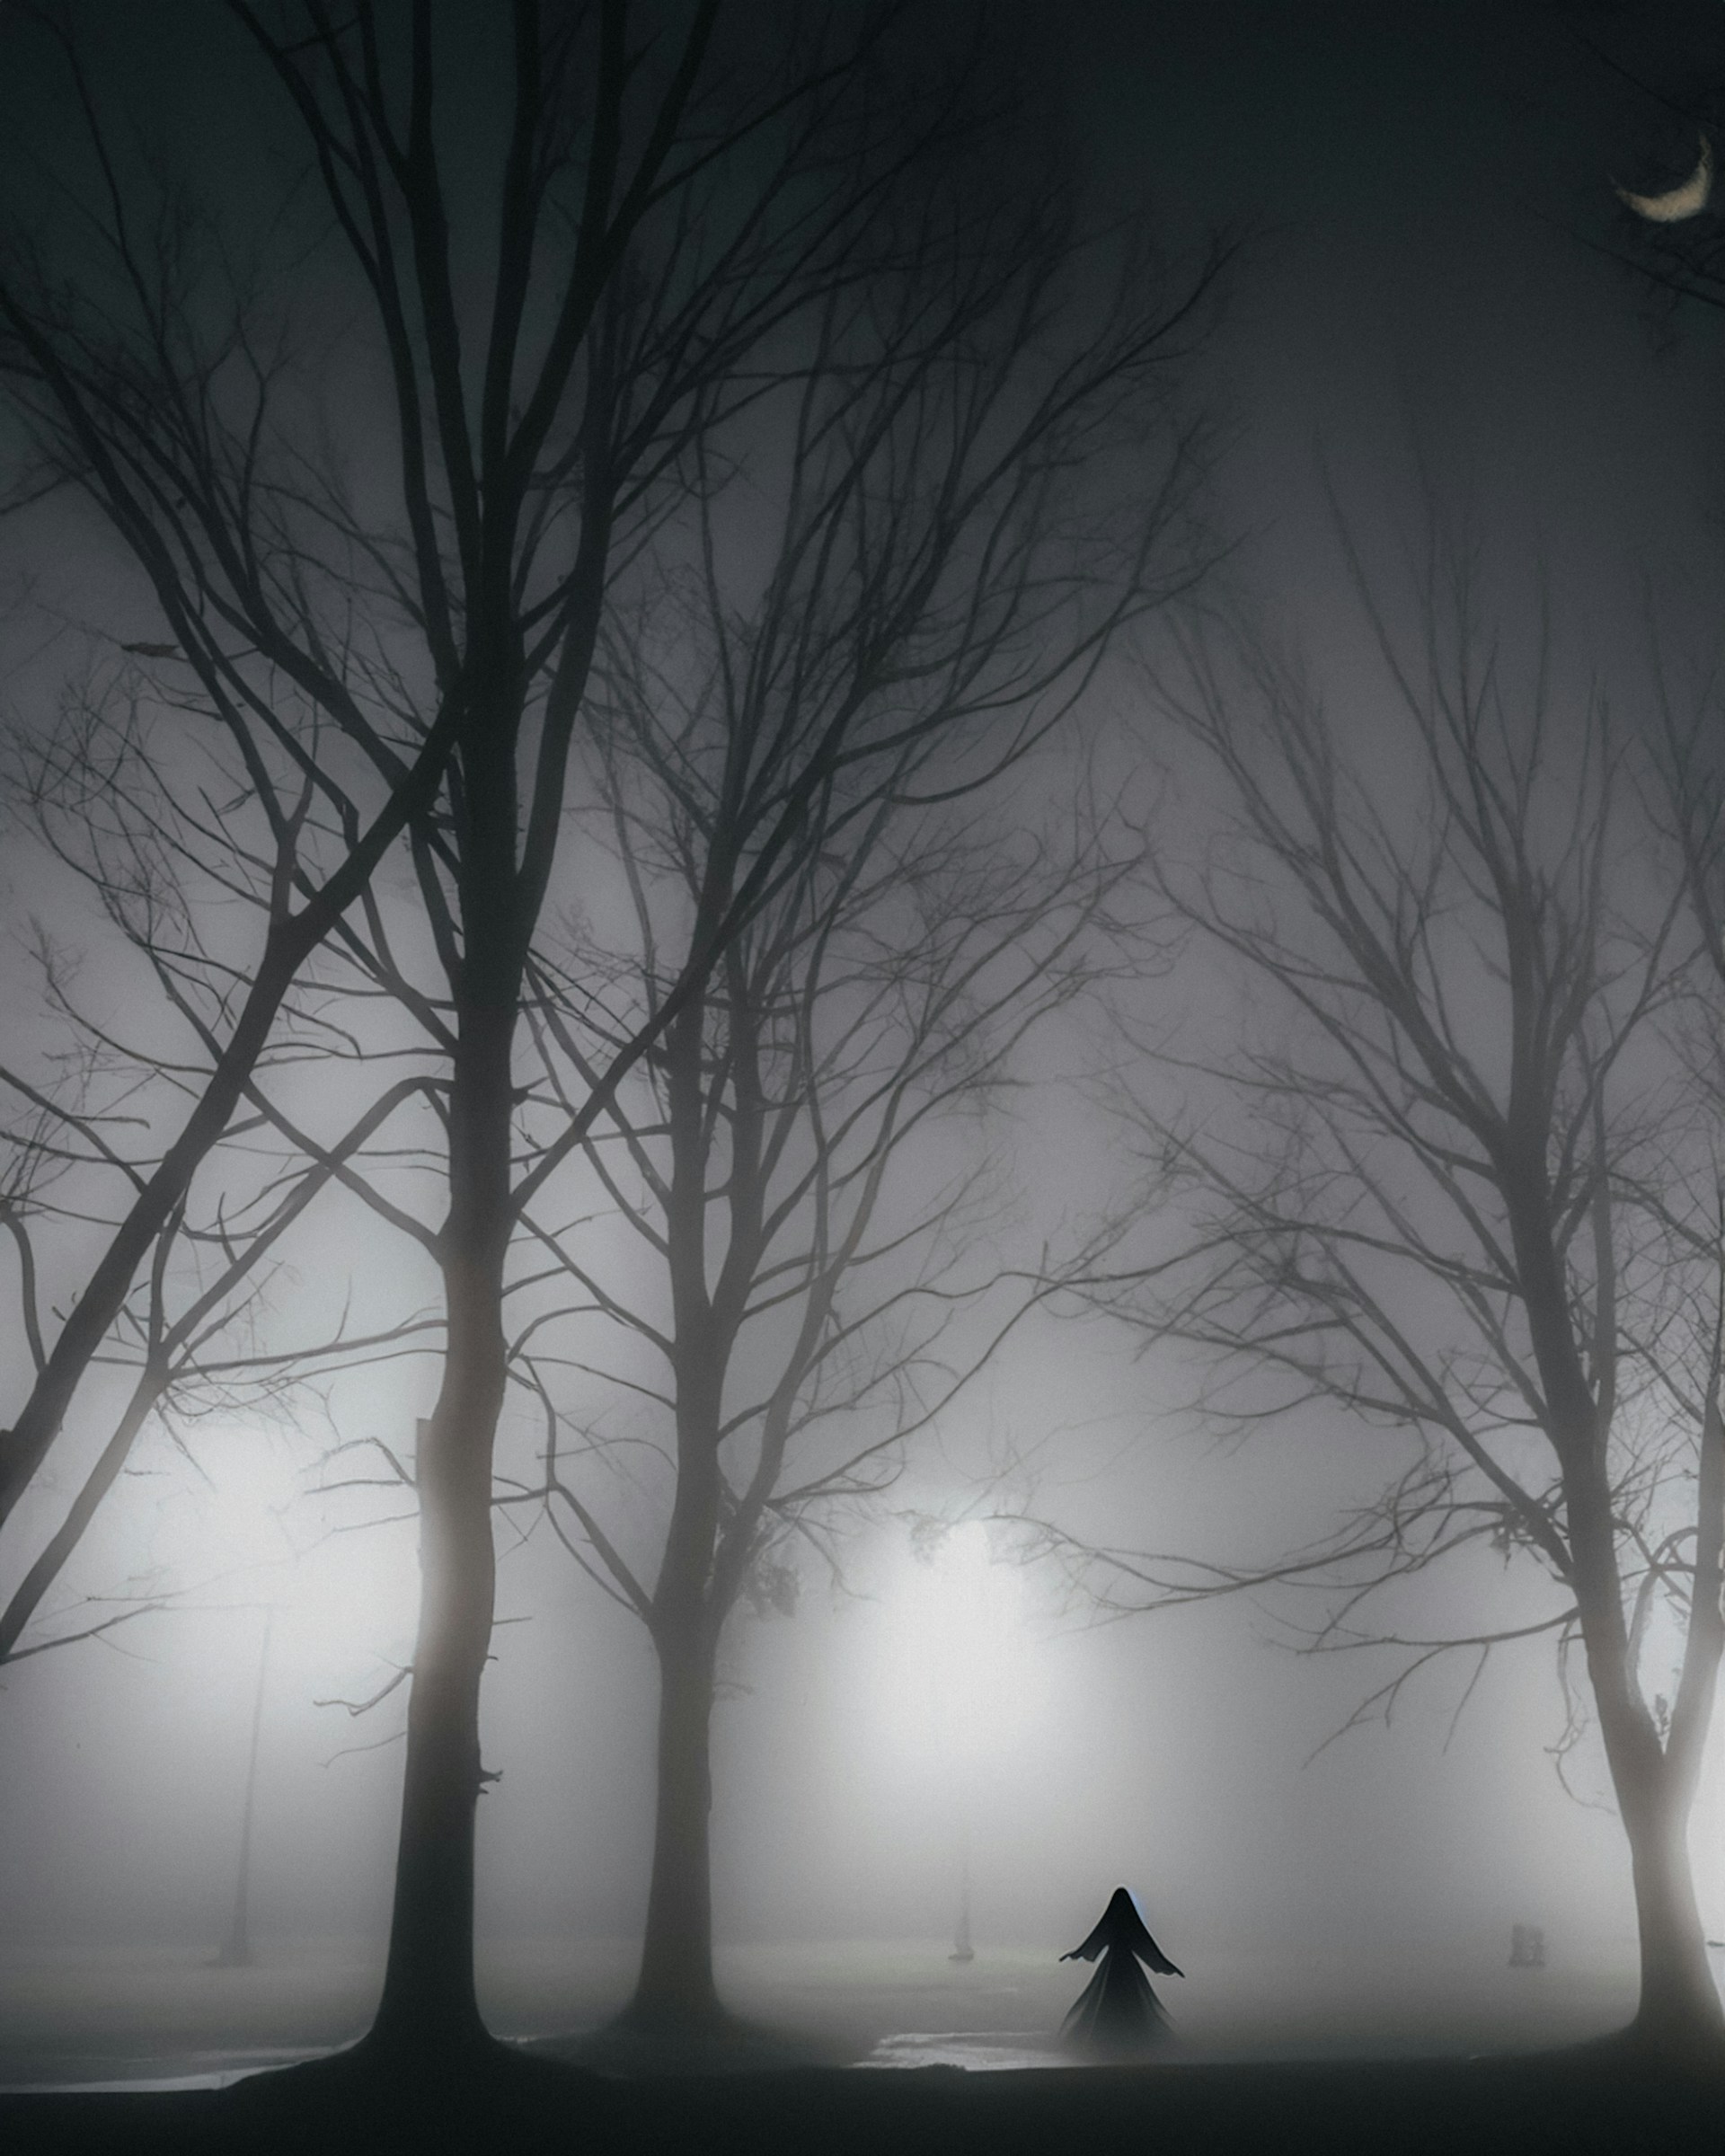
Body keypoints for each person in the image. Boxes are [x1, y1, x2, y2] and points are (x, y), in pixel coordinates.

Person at [1059, 1886, 1183, 2055]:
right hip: (1127, 1966)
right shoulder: (1130, 1922)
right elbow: (1146, 1947)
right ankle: (1129, 2038)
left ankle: (1108, 2038)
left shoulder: (1111, 1921)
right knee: (1129, 2001)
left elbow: (1095, 1941)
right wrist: (1166, 1965)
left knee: (1109, 2000)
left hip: (1112, 1965)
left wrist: (1077, 1953)